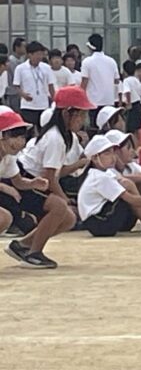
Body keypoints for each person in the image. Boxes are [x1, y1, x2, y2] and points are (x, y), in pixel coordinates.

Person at [9, 87, 94, 268]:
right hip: (24, 178)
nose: (83, 120)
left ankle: (23, 244)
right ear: (67, 113)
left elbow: (54, 172)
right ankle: (34, 253)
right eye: (80, 115)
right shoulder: (55, 138)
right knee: (59, 207)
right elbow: (50, 177)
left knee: (69, 218)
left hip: (37, 180)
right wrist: (64, 198)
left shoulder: (66, 137)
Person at [77, 135, 141, 237]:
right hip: (98, 222)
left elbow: (125, 183)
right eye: (107, 153)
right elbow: (129, 198)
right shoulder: (99, 177)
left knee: (126, 185)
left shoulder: (105, 173)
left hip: (99, 220)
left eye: (113, 152)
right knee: (124, 198)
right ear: (95, 158)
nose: (113, 157)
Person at [0, 111, 52, 261]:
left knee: (4, 218)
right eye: (15, 136)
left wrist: (33, 183)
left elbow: (18, 182)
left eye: (22, 136)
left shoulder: (8, 158)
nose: (20, 141)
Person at [13, 41, 55, 129]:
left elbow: (51, 85)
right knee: (28, 130)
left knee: (43, 130)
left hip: (43, 105)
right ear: (29, 55)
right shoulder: (20, 68)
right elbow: (16, 86)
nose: (40, 57)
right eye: (37, 54)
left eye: (41, 54)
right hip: (27, 106)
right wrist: (23, 95)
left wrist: (54, 100)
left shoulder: (46, 68)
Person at [81, 34, 121, 126]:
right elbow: (117, 81)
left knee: (94, 126)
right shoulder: (111, 61)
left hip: (93, 101)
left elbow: (84, 82)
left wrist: (81, 98)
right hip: (109, 100)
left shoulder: (87, 62)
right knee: (109, 126)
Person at [121, 61, 141, 135]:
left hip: (132, 105)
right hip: (138, 104)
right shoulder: (136, 80)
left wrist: (129, 103)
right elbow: (140, 92)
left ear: (125, 71)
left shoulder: (126, 80)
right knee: (137, 128)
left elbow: (127, 91)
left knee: (131, 128)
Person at [6, 36, 27, 111]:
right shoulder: (11, 61)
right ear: (17, 47)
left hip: (20, 92)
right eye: (23, 46)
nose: (25, 49)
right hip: (13, 92)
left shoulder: (21, 59)